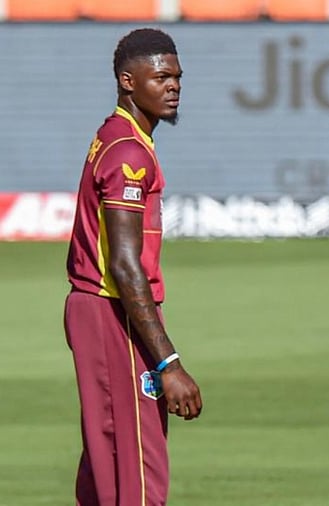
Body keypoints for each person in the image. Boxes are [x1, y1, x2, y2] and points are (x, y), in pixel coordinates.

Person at [64, 28, 203, 506]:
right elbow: (125, 265)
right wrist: (168, 362)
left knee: (109, 457)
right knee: (140, 467)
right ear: (128, 81)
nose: (173, 86)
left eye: (177, 77)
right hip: (112, 312)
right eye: (160, 77)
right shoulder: (129, 153)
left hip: (98, 309)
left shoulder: (116, 135)